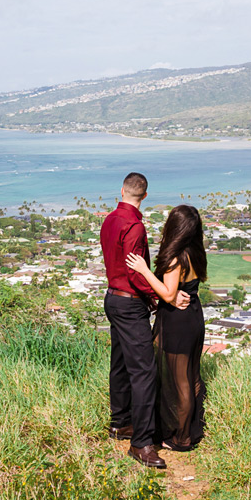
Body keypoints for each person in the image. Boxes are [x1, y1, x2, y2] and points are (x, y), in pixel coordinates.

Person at [101, 172, 189, 469]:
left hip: (112, 298)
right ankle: (141, 443)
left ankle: (121, 423)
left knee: (121, 363)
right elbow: (136, 273)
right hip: (129, 302)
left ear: (122, 190)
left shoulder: (110, 220)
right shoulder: (135, 227)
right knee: (145, 372)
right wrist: (160, 298)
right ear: (145, 196)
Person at [126, 203, 208, 452]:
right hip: (194, 315)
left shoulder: (175, 257)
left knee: (180, 379)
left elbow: (168, 293)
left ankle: (181, 438)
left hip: (177, 321)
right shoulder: (196, 252)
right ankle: (192, 429)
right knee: (191, 376)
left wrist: (143, 270)